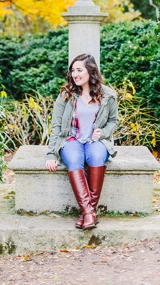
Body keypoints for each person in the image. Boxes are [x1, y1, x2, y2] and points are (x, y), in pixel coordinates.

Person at [44, 53, 118, 230]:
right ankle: (90, 213)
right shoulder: (66, 95)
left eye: (79, 70)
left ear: (90, 71)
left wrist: (103, 132)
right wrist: (51, 154)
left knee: (97, 157)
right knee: (75, 160)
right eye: (72, 70)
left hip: (97, 142)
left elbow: (113, 121)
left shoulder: (108, 95)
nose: (74, 74)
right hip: (71, 140)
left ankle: (86, 213)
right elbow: (56, 126)